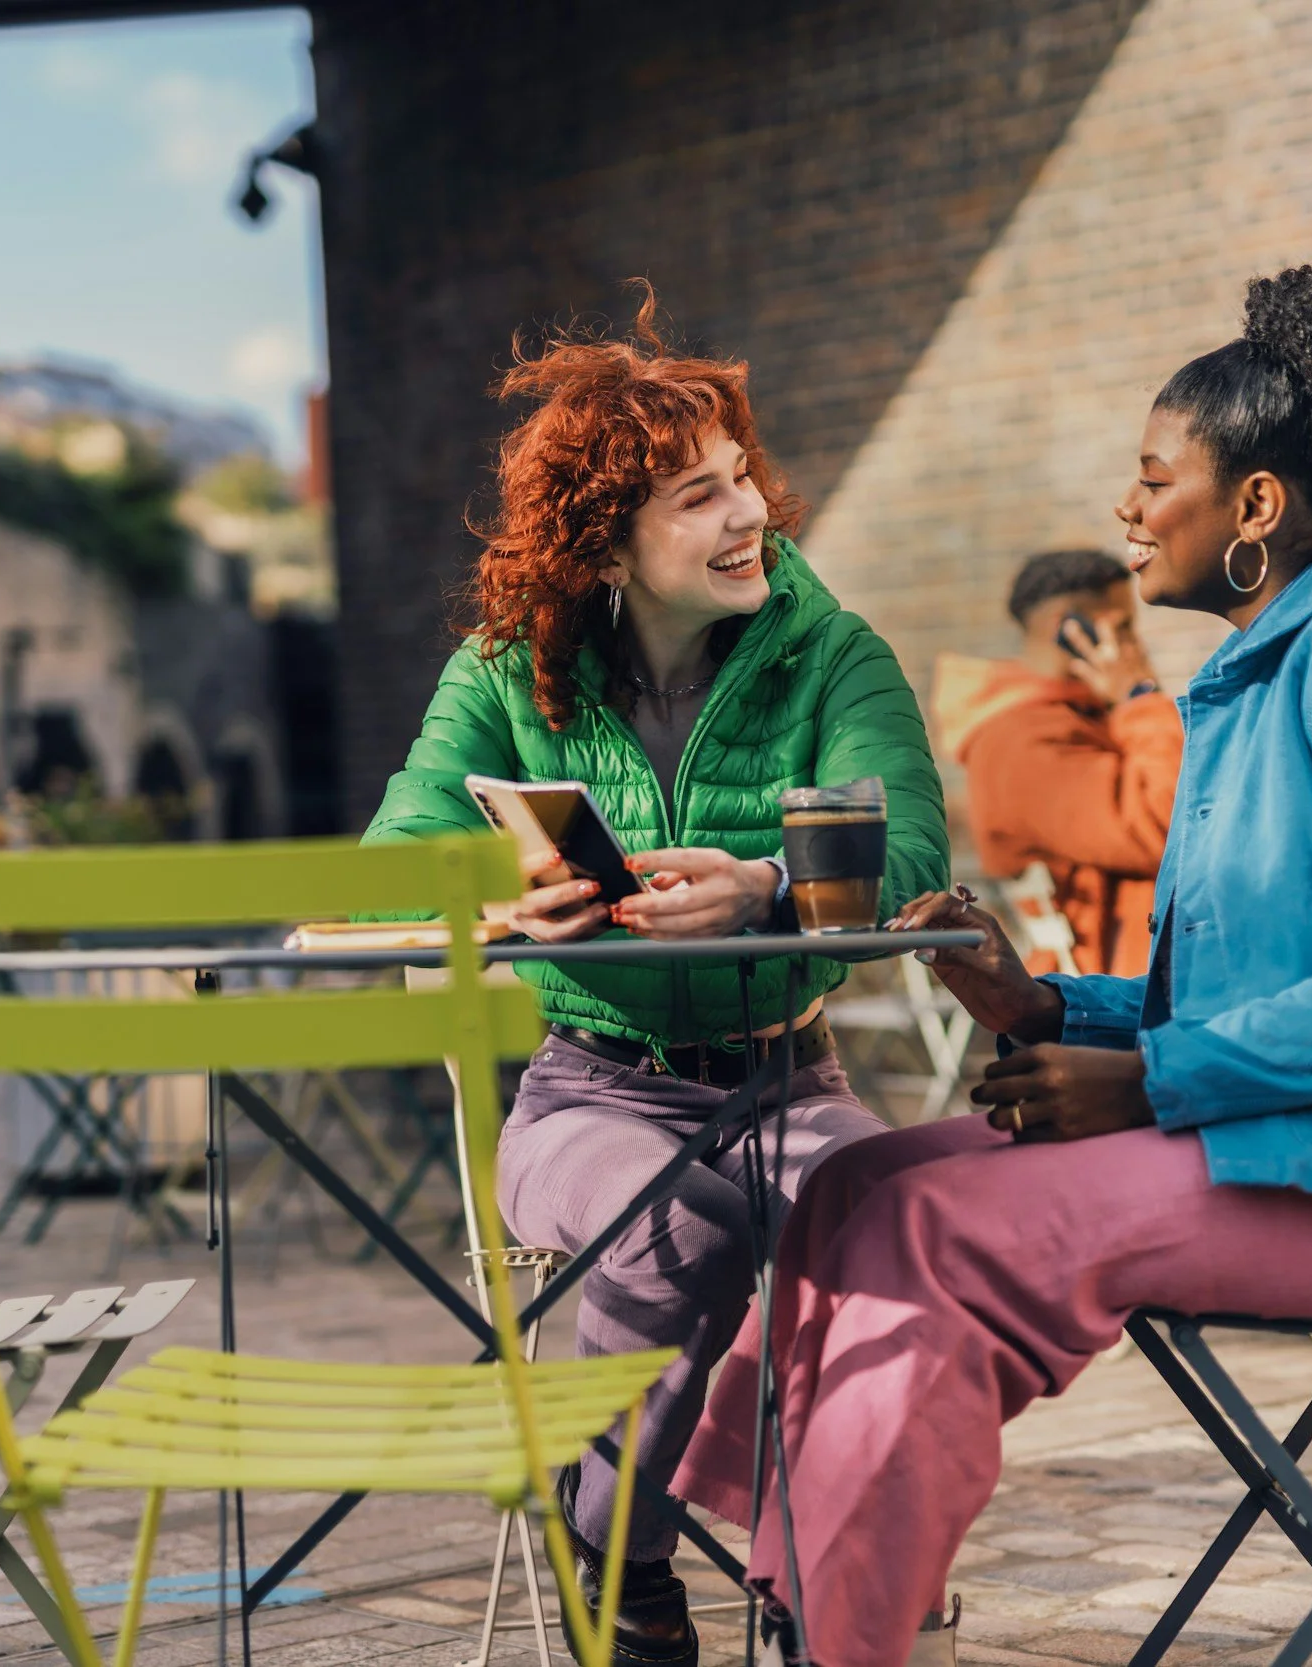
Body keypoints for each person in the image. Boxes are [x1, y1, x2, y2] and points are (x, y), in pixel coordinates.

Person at [673, 261, 1312, 1667]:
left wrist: (1152, 1079)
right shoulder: (1257, 674)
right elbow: (1259, 986)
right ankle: (844, 1594)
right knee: (856, 1179)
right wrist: (1050, 1004)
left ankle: (851, 1630)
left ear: (1256, 505)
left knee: (949, 1230)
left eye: (1154, 474)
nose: (1125, 506)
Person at [364, 290, 949, 1665]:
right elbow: (396, 859)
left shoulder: (837, 652)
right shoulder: (509, 671)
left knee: (891, 1229)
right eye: (700, 495)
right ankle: (619, 1569)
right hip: (585, 1089)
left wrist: (761, 883)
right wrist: (508, 886)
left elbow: (911, 847)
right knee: (668, 1220)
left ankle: (828, 1582)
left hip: (788, 1074)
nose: (748, 513)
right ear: (608, 541)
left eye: (742, 478)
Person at [931, 549, 1182, 975]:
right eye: (1122, 628)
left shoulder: (1078, 716)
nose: (1135, 647)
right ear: (1066, 627)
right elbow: (1170, 828)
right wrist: (1141, 699)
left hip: (1147, 964)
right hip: (1106, 987)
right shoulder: (1021, 739)